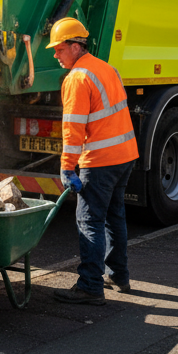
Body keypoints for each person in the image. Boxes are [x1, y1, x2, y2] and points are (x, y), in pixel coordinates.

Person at [46, 17, 139, 305]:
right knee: (114, 217)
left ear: (75, 46)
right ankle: (118, 275)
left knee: (90, 222)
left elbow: (73, 128)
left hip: (99, 161)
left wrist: (66, 166)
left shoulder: (77, 78)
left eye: (59, 49)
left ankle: (90, 286)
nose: (55, 54)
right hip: (125, 156)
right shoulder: (107, 69)